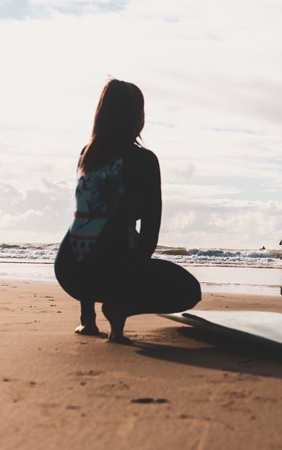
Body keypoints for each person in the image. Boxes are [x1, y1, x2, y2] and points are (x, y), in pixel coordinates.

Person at [54, 79, 201, 344]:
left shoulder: (87, 154)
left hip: (69, 268)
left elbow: (87, 222)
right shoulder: (145, 160)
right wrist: (134, 275)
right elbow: (150, 228)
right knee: (189, 290)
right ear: (137, 117)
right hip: (114, 266)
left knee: (93, 235)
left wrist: (87, 312)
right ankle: (118, 312)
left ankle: (88, 320)